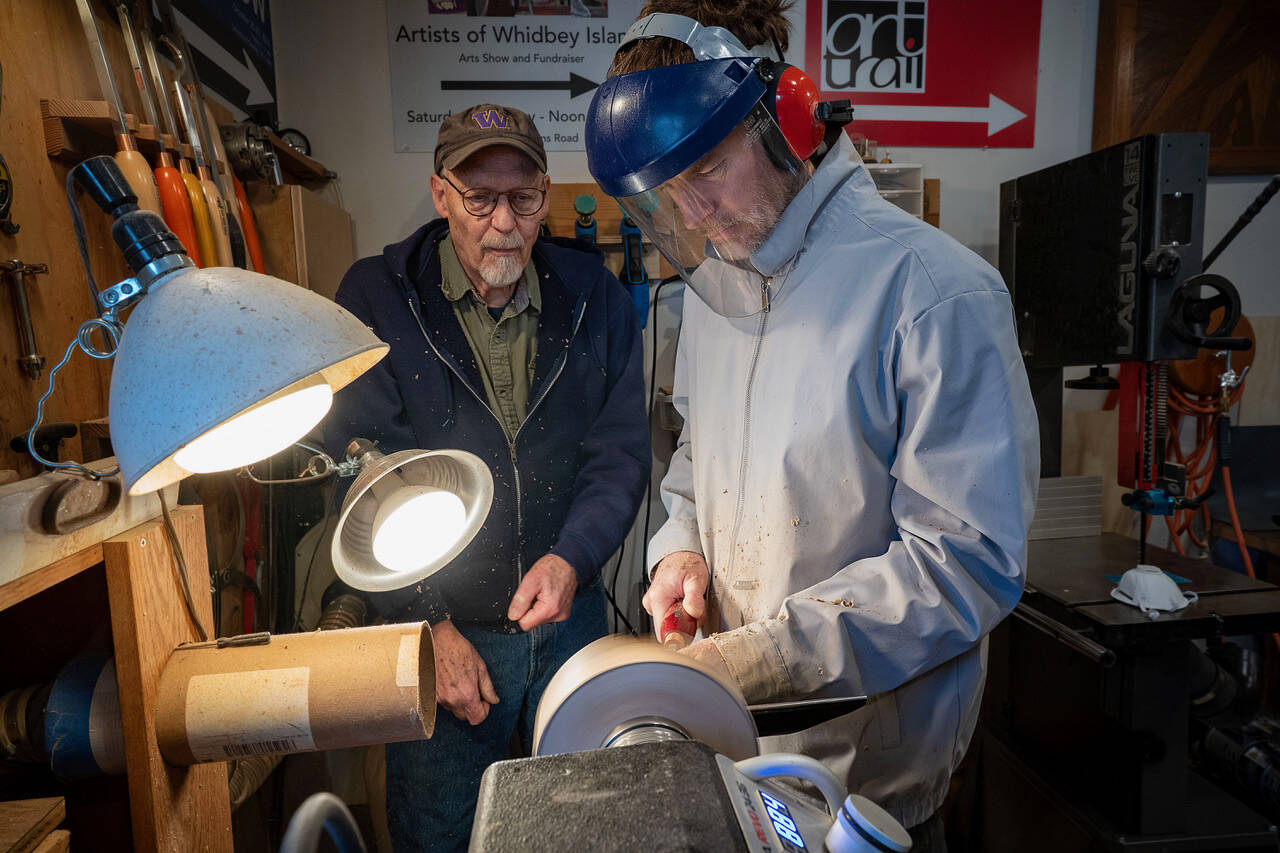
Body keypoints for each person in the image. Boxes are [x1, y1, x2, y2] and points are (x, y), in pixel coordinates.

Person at [585, 7, 1039, 850]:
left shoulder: (933, 291)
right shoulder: (718, 292)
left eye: (710, 167)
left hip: (869, 795)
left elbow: (966, 561)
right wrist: (677, 548)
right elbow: (692, 456)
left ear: (784, 116)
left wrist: (750, 660)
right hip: (738, 760)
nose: (695, 212)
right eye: (668, 192)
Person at [324, 103, 650, 852]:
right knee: (441, 833)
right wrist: (428, 620)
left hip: (570, 622)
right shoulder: (377, 297)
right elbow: (360, 472)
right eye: (480, 198)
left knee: (582, 827)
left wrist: (573, 557)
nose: (504, 221)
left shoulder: (592, 296)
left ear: (544, 194)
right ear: (441, 195)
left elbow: (619, 451)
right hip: (445, 633)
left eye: (524, 198)